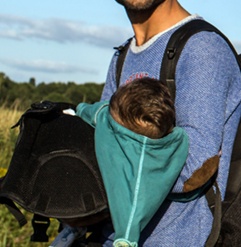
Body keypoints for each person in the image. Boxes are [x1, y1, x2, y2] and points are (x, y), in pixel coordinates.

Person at [92, 0, 241, 246]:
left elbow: (193, 168)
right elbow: (100, 141)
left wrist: (109, 160)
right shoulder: (122, 57)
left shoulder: (201, 49)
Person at [74, 77, 218, 247]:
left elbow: (89, 111)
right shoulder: (175, 143)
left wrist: (76, 110)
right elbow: (135, 208)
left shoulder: (105, 116)